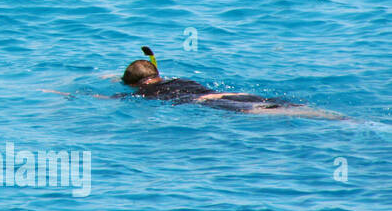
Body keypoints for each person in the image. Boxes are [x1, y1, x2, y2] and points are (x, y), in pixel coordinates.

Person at [119, 47, 344, 119]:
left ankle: (335, 120)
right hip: (226, 93)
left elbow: (121, 95)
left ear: (134, 84)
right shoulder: (178, 80)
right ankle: (335, 116)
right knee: (280, 105)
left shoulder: (144, 94)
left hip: (207, 102)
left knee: (266, 113)